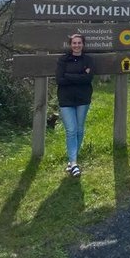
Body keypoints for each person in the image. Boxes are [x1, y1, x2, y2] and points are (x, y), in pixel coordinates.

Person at [56, 33, 94, 177]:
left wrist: (69, 76)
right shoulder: (63, 60)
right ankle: (74, 163)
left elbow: (88, 78)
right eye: (74, 43)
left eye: (79, 43)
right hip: (66, 100)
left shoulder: (88, 60)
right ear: (70, 45)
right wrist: (80, 76)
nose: (77, 45)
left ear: (83, 44)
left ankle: (73, 162)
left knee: (79, 130)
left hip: (83, 99)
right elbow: (59, 80)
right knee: (71, 130)